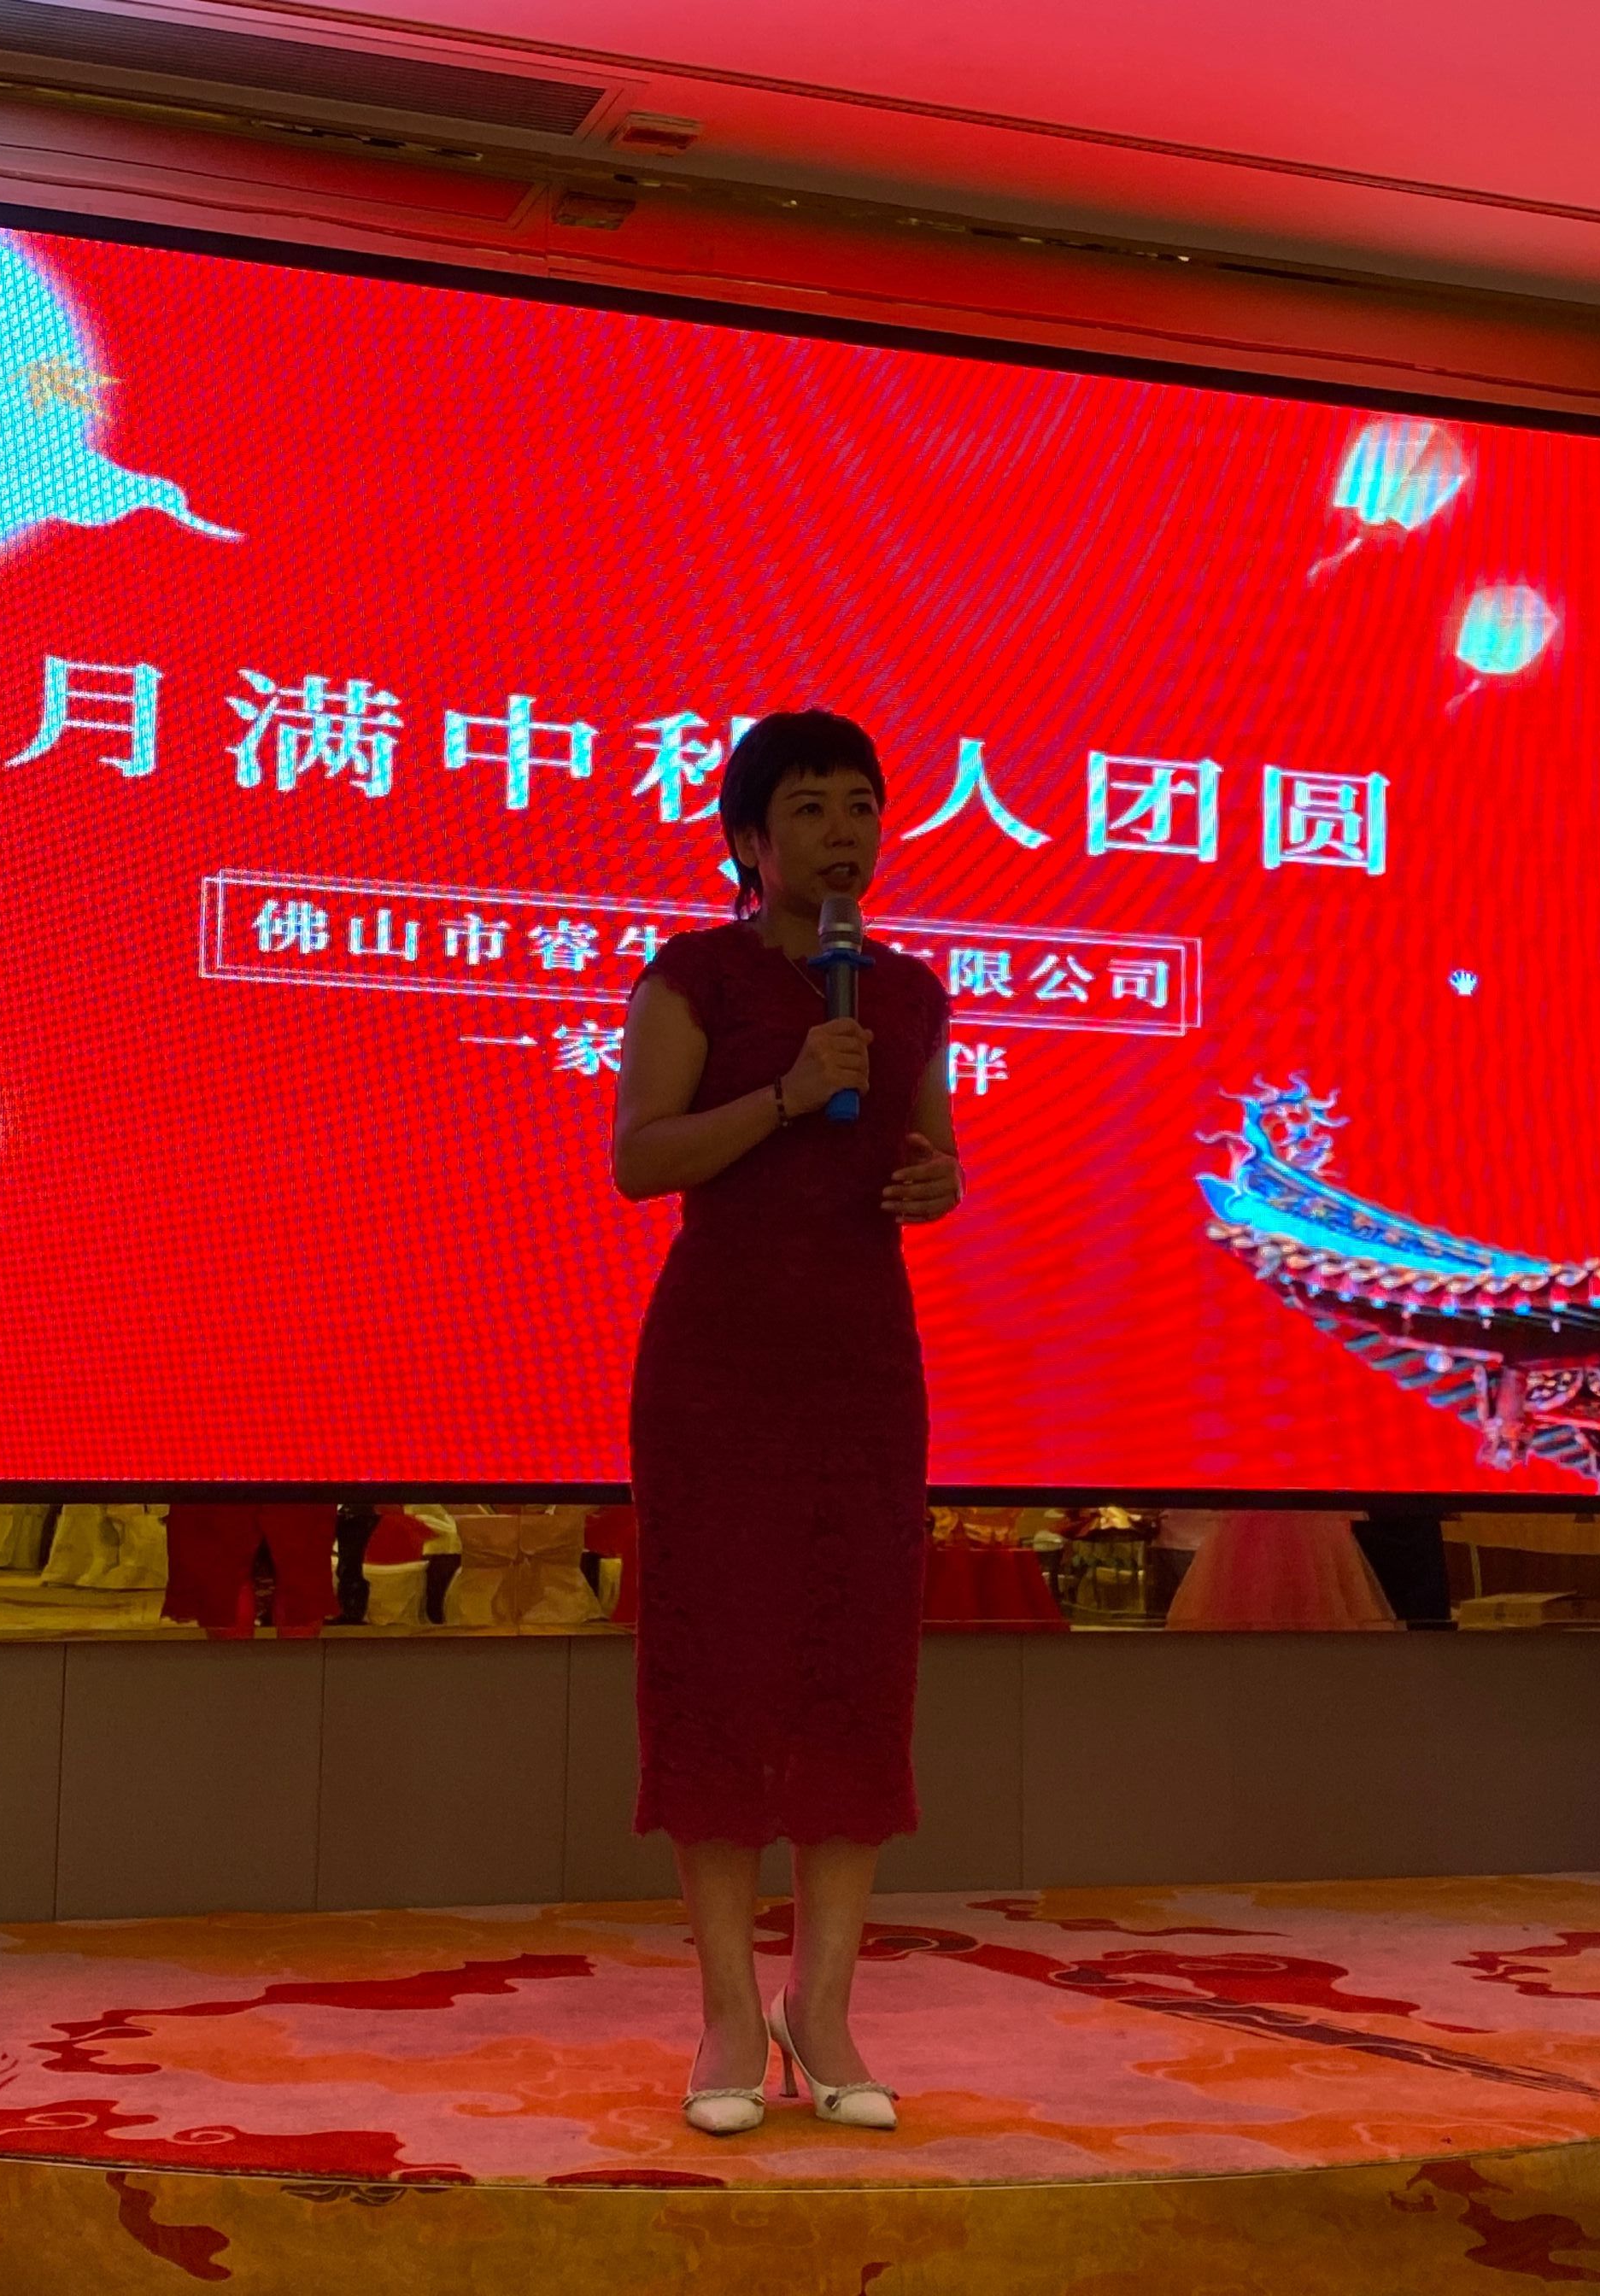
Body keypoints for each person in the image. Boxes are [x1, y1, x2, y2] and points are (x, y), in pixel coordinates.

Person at [612, 710, 963, 2136]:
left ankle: (821, 2010)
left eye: (860, 805)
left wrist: (935, 1184)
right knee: (718, 1670)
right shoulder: (692, 975)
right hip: (719, 1366)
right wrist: (787, 1094)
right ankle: (721, 2014)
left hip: (861, 1368)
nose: (842, 831)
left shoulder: (910, 992)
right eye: (809, 806)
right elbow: (642, 1159)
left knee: (851, 1673)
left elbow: (935, 1156)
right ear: (749, 841)